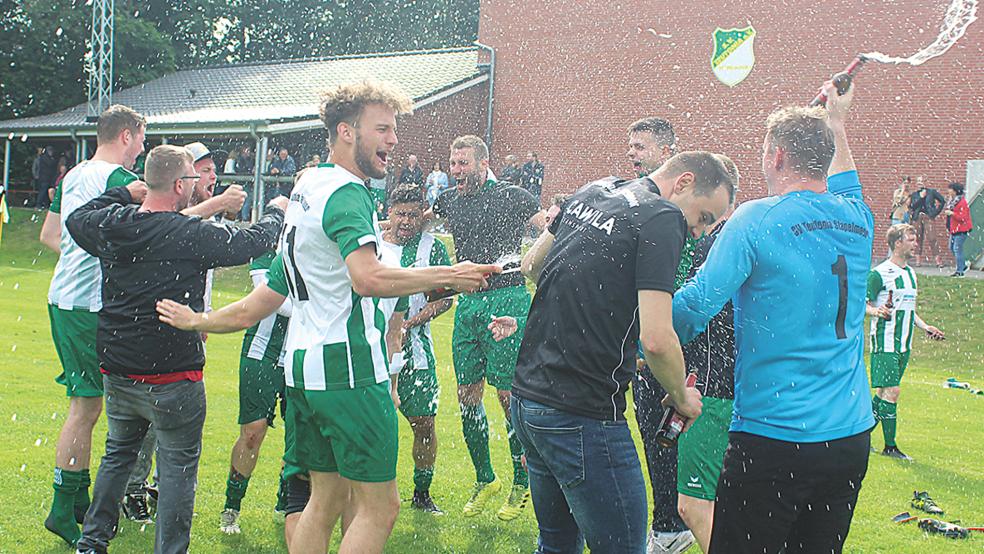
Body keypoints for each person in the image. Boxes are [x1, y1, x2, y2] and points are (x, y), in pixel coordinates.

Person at [165, 80, 495, 554]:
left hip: (302, 369)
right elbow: (368, 278)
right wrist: (450, 274)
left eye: (394, 129)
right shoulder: (347, 194)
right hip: (351, 373)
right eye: (382, 129)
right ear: (345, 132)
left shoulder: (308, 186)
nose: (394, 140)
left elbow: (269, 294)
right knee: (380, 508)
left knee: (323, 501)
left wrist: (200, 320)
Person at [673, 81, 874, 554]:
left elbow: (695, 306)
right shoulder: (859, 217)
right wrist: (838, 123)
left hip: (774, 438)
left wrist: (636, 330)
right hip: (848, 440)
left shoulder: (755, 218)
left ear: (777, 156)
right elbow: (845, 175)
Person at [508, 150, 734, 553]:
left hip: (530, 402)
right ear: (682, 183)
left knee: (557, 544)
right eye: (703, 217)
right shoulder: (662, 217)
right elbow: (657, 338)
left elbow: (533, 265)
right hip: (583, 412)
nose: (699, 232)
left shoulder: (596, 188)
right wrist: (683, 397)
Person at [67, 144, 286, 554]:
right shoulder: (186, 233)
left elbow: (76, 217)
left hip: (119, 370)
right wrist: (277, 210)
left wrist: (122, 194)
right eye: (190, 179)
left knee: (117, 456)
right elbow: (249, 243)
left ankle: (92, 542)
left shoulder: (117, 224)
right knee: (177, 472)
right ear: (180, 184)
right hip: (172, 378)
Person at [37, 105, 147, 547]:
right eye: (141, 139)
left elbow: (50, 235)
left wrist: (81, 261)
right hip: (87, 307)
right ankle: (62, 509)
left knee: (87, 402)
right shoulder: (119, 181)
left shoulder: (74, 174)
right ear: (126, 135)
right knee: (85, 408)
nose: (142, 149)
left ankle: (79, 500)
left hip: (61, 299)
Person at [431, 134, 545, 520]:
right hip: (468, 304)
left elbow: (547, 227)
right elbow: (411, 219)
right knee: (467, 394)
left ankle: (520, 481)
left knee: (507, 395)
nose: (456, 170)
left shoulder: (514, 196)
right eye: (453, 162)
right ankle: (485, 478)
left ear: (483, 163)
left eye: (463, 163)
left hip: (508, 298)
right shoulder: (448, 199)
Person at [622, 115, 697, 553]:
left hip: (673, 340)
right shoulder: (637, 201)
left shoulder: (676, 209)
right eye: (630, 146)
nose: (633, 153)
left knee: (667, 433)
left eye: (641, 146)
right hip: (646, 338)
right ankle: (669, 521)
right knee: (655, 433)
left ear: (666, 152)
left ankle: (673, 525)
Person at [378, 183, 454, 513]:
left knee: (423, 423)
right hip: (371, 351)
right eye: (400, 214)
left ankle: (422, 493)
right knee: (372, 425)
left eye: (413, 214)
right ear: (388, 214)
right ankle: (372, 494)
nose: (406, 221)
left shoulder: (432, 249)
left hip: (416, 352)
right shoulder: (373, 246)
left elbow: (445, 299)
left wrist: (411, 322)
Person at [674, 215, 737, 554]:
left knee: (694, 506)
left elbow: (688, 314)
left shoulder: (714, 247)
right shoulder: (754, 240)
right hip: (755, 396)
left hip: (710, 396)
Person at [866, 223, 945, 464]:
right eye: (910, 239)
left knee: (883, 393)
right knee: (893, 391)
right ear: (897, 243)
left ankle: (859, 435)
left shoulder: (910, 273)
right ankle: (890, 447)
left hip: (904, 345)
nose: (915, 243)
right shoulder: (879, 273)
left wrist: (926, 327)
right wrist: (877, 312)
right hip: (885, 342)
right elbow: (862, 304)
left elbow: (909, 310)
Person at [907, 178, 945, 266]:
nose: (920, 183)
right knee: (918, 238)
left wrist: (935, 212)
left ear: (926, 182)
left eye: (922, 181)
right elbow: (912, 206)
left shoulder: (931, 192)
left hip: (928, 217)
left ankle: (937, 260)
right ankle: (918, 260)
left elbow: (942, 201)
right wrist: (921, 197)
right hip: (917, 218)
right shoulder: (915, 194)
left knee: (932, 238)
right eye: (918, 181)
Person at [943, 182, 972, 277]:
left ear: (955, 191)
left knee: (957, 248)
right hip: (954, 229)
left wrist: (952, 214)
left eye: (950, 189)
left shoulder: (962, 202)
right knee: (952, 247)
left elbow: (963, 217)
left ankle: (960, 271)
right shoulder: (953, 201)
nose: (948, 191)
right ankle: (962, 265)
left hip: (961, 230)